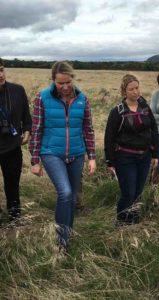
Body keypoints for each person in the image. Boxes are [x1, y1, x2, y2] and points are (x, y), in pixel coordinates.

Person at [29, 61, 96, 251]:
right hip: (51, 152)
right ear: (53, 81)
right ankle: (61, 241)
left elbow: (88, 130)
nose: (65, 87)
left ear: (72, 79)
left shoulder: (83, 99)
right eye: (60, 83)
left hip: (76, 154)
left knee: (72, 197)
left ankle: (68, 232)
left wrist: (92, 156)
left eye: (68, 82)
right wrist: (34, 160)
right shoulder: (42, 98)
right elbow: (36, 129)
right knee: (65, 193)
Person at [104, 74, 158, 226]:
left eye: (137, 87)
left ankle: (134, 221)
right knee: (128, 192)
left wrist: (155, 154)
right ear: (124, 91)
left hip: (145, 157)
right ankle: (122, 222)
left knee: (138, 192)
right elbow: (109, 138)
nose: (135, 92)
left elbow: (153, 129)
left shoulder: (145, 108)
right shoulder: (117, 112)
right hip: (125, 158)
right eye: (131, 89)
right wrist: (110, 162)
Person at [0, 58, 32, 222]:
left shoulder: (17, 90)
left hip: (12, 147)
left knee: (12, 185)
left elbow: (27, 118)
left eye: (1, 69)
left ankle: (14, 217)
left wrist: (27, 132)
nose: (0, 74)